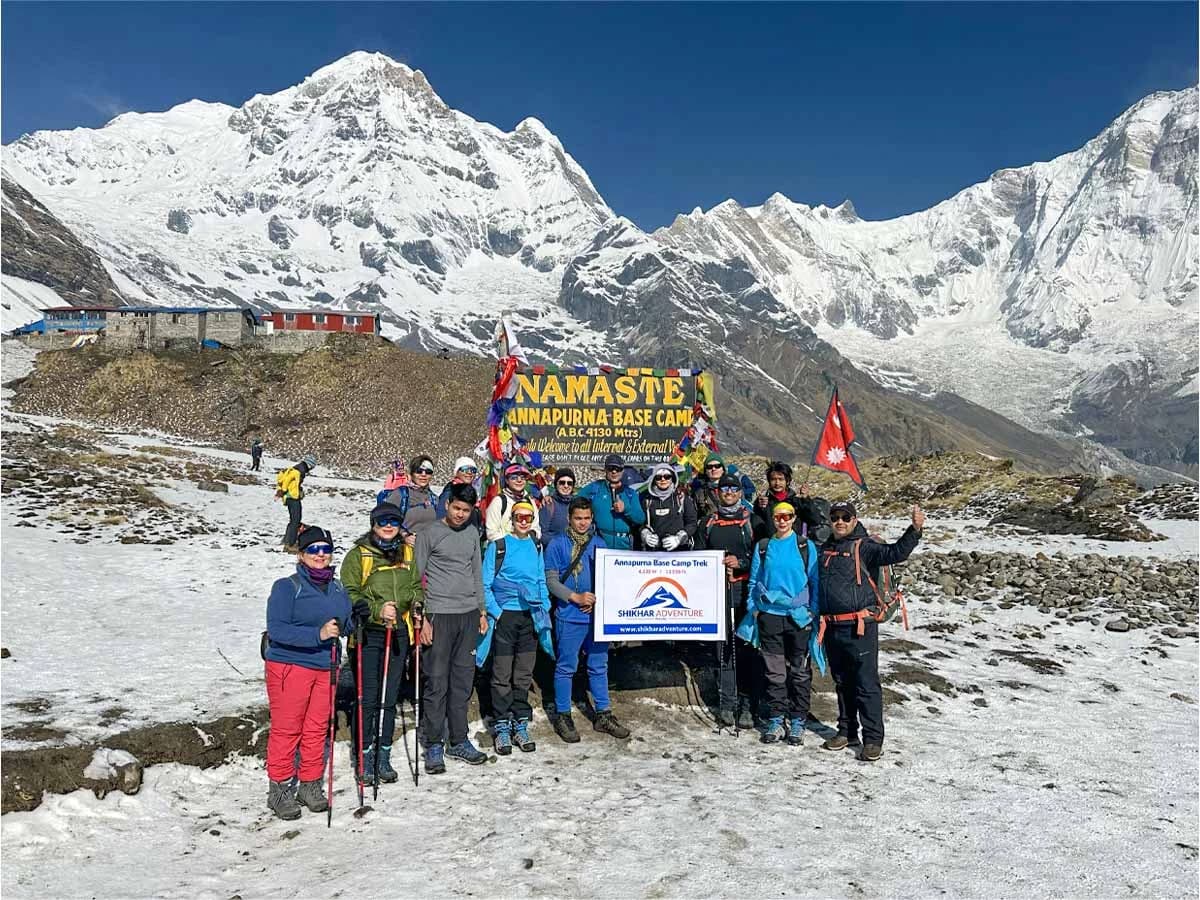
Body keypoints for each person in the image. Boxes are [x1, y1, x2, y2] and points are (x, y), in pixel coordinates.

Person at [818, 500, 924, 762]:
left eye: (845, 517)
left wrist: (915, 530)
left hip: (860, 626)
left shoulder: (865, 547)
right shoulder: (826, 548)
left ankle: (873, 739)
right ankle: (847, 731)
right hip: (832, 626)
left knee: (866, 683)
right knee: (842, 683)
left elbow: (896, 553)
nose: (840, 522)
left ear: (855, 520)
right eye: (835, 518)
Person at [263, 525, 352, 820]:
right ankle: (279, 789)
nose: (320, 555)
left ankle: (310, 785)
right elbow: (277, 630)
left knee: (316, 728)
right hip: (290, 665)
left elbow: (344, 623)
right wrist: (318, 634)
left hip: (326, 666)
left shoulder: (338, 588)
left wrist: (357, 620)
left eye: (326, 549)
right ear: (301, 554)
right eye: (313, 549)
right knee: (288, 729)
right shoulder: (287, 587)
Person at [339, 502, 424, 786]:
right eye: (383, 521)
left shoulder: (407, 552)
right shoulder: (359, 555)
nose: (389, 526)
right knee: (368, 697)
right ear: (373, 523)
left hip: (398, 632)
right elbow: (349, 593)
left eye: (394, 521)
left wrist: (416, 603)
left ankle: (383, 756)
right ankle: (364, 757)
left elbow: (415, 586)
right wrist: (376, 610)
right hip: (369, 634)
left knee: (389, 698)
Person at [414, 482, 490, 773]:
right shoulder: (429, 533)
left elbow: (476, 574)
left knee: (462, 682)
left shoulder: (472, 533)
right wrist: (421, 619)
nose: (460, 514)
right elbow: (415, 578)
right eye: (456, 508)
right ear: (447, 504)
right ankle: (433, 743)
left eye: (466, 510)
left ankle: (458, 740)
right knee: (436, 682)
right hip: (439, 615)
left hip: (468, 615)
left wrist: (481, 611)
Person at [544, 497, 631, 742]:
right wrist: (575, 597)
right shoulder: (557, 545)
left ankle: (603, 713)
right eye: (578, 518)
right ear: (569, 519)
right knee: (566, 666)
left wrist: (597, 602)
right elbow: (551, 580)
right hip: (570, 616)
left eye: (587, 518)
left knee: (598, 665)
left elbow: (610, 578)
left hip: (596, 618)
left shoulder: (599, 544)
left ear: (592, 519)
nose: (582, 523)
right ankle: (562, 714)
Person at [740, 502, 822, 746]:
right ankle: (776, 719)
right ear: (773, 519)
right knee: (774, 671)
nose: (782, 521)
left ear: (794, 518)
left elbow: (815, 581)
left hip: (799, 616)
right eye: (778, 517)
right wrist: (753, 609)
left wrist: (812, 610)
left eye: (787, 516)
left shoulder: (805, 546)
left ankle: (798, 720)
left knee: (799, 670)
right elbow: (754, 581)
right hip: (769, 616)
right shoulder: (764, 547)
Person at [479, 501, 553, 755]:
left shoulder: (536, 545)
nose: (524, 521)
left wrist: (544, 608)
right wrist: (497, 614)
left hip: (530, 616)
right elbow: (484, 583)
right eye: (519, 516)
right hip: (506, 616)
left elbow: (541, 579)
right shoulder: (498, 546)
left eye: (528, 517)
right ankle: (501, 725)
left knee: (522, 673)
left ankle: (520, 723)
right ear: (512, 518)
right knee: (501, 673)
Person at [695, 474, 760, 727]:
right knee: (724, 649)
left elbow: (760, 555)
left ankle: (746, 703)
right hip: (718, 591)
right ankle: (727, 702)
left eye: (734, 488)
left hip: (744, 590)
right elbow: (698, 556)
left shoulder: (751, 521)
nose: (729, 492)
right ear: (718, 492)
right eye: (725, 488)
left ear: (740, 492)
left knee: (745, 647)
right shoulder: (708, 522)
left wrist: (741, 563)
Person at [578, 453, 646, 550]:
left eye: (618, 469)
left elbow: (640, 519)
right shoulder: (595, 488)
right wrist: (550, 498)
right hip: (599, 543)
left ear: (622, 471)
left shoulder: (630, 493)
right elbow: (574, 501)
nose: (614, 472)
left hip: (624, 545)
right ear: (605, 469)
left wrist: (626, 509)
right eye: (611, 468)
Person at [752, 461, 821, 541]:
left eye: (781, 479)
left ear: (787, 481)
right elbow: (756, 525)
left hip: (793, 546)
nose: (777, 483)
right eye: (773, 479)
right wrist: (759, 507)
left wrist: (806, 500)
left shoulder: (796, 502)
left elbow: (815, 520)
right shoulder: (764, 503)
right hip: (771, 547)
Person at [381, 455, 439, 547]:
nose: (423, 475)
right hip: (402, 551)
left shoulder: (434, 499)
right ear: (411, 473)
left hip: (427, 551)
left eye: (428, 472)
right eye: (419, 471)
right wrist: (404, 536)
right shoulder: (400, 495)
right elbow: (384, 519)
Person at [638, 463, 697, 551]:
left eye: (667, 476)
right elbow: (639, 523)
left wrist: (679, 538)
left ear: (672, 478)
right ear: (654, 479)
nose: (663, 479)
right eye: (658, 477)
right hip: (654, 552)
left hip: (679, 551)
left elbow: (692, 523)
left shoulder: (682, 498)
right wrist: (645, 534)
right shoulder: (647, 500)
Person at [484, 462, 542, 542]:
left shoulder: (529, 501)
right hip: (505, 550)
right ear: (507, 480)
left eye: (522, 477)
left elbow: (536, 528)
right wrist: (513, 543)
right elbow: (491, 533)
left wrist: (528, 539)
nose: (519, 480)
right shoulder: (499, 501)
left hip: (525, 548)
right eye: (514, 477)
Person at [691, 454, 756, 521]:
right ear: (706, 471)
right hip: (711, 528)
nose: (713, 469)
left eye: (717, 466)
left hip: (735, 525)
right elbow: (694, 517)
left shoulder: (735, 488)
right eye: (709, 467)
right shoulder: (699, 493)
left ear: (723, 469)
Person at [275, 454, 317, 551]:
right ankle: (291, 545)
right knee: (295, 520)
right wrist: (282, 492)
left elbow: (288, 482)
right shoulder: (298, 471)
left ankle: (287, 540)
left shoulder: (295, 469)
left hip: (289, 498)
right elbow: (287, 482)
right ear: (309, 465)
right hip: (293, 498)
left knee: (293, 520)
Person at [436, 456, 483, 532]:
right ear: (457, 472)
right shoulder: (451, 491)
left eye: (473, 470)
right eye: (465, 469)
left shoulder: (472, 492)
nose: (469, 473)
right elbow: (440, 517)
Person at [538, 467, 577, 549]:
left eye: (569, 483)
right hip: (554, 553)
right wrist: (562, 543)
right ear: (556, 484)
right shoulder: (549, 504)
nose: (566, 486)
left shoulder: (576, 504)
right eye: (562, 483)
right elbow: (542, 534)